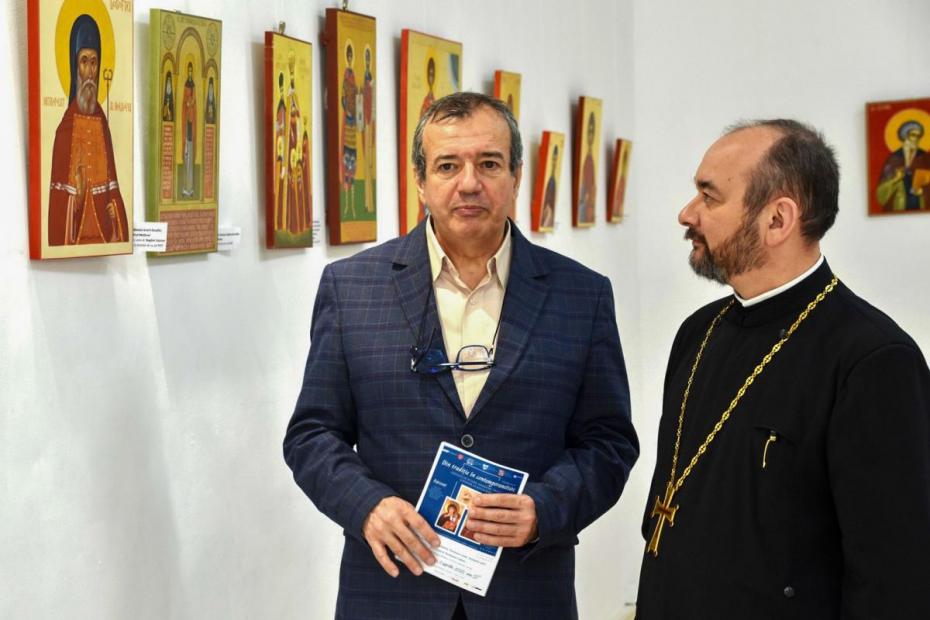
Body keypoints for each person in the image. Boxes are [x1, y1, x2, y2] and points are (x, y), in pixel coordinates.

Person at [284, 91, 638, 620]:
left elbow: (608, 442)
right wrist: (367, 506)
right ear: (420, 180)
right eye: (448, 165)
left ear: (516, 176)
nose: (469, 183)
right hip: (391, 591)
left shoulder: (581, 295)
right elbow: (312, 434)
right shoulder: (351, 287)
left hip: (524, 592)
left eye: (489, 164)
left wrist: (544, 510)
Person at [636, 119, 930, 619]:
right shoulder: (698, 332)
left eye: (709, 196)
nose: (687, 213)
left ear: (777, 220)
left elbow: (894, 576)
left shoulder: (873, 360)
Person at [47, 13, 128, 247]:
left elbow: (113, 186)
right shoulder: (66, 128)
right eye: (84, 61)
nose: (90, 71)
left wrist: (114, 209)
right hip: (76, 236)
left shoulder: (102, 122)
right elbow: (57, 201)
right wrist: (77, 197)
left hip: (102, 233)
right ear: (75, 67)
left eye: (94, 62)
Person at [876, 120, 930, 212]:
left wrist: (923, 191)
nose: (916, 139)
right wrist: (895, 179)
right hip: (898, 205)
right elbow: (881, 192)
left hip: (920, 204)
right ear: (905, 136)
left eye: (919, 136)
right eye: (913, 135)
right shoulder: (894, 158)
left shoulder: (925, 157)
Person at [341, 42, 358, 218]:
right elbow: (343, 99)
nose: (350, 58)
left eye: (352, 55)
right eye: (349, 55)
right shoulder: (346, 76)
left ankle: (352, 205)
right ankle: (347, 204)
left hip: (353, 127)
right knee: (347, 166)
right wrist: (349, 108)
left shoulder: (353, 76)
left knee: (353, 166)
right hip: (348, 125)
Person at [181, 62, 196, 198]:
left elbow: (193, 102)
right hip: (186, 128)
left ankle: (190, 188)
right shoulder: (186, 84)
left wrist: (191, 103)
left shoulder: (193, 85)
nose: (190, 73)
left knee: (190, 157)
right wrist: (187, 103)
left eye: (191, 71)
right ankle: (185, 188)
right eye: (189, 71)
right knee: (186, 157)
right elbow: (184, 102)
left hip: (191, 127)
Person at [578, 112, 596, 224]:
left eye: (592, 132)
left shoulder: (591, 161)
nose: (590, 136)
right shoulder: (585, 161)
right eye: (588, 132)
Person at [540, 144, 559, 229]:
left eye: (556, 159)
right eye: (553, 159)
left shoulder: (554, 181)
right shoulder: (549, 181)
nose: (554, 162)